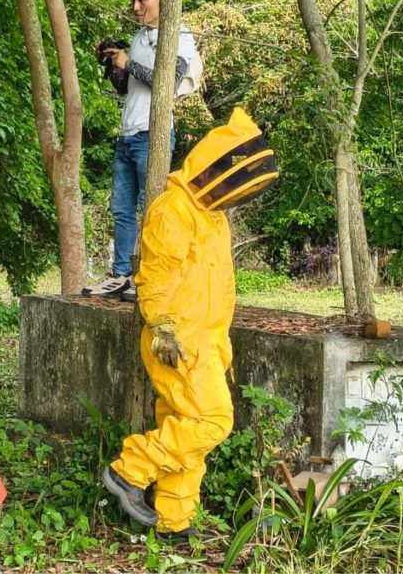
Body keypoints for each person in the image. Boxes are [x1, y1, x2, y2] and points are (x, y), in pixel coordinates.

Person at [101, 108, 279, 538]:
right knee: (213, 422)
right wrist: (161, 325)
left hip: (206, 342)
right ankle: (130, 471)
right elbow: (156, 272)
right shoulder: (174, 209)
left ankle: (172, 521)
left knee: (184, 430)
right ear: (217, 167)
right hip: (177, 341)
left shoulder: (212, 217)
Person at [82, 0, 198, 299]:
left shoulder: (179, 36)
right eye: (133, 0)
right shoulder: (139, 36)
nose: (135, 6)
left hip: (153, 136)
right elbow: (126, 88)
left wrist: (129, 62)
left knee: (153, 211)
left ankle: (149, 277)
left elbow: (168, 82)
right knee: (121, 208)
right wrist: (111, 63)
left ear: (162, 0)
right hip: (128, 134)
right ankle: (120, 275)